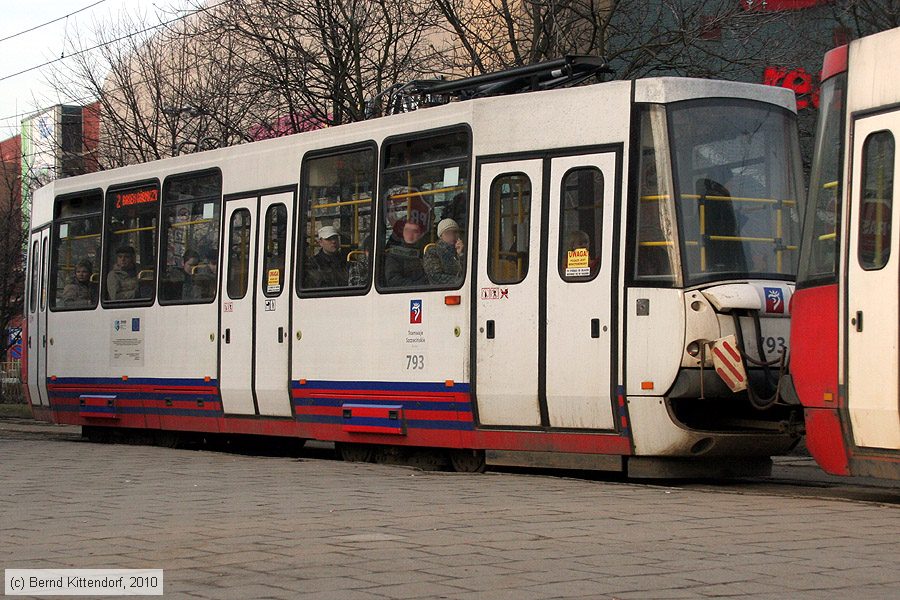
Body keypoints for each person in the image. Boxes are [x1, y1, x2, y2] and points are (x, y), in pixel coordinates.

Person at [383, 219, 427, 287]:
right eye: (407, 230)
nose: (410, 234)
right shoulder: (394, 253)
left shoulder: (427, 251)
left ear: (421, 234)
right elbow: (393, 280)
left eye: (414, 231)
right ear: (402, 232)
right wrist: (418, 286)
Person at [424, 219, 464, 285]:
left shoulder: (463, 250)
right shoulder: (433, 251)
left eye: (455, 232)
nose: (452, 236)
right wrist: (460, 282)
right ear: (441, 236)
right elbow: (435, 276)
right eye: (448, 233)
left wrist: (461, 255)